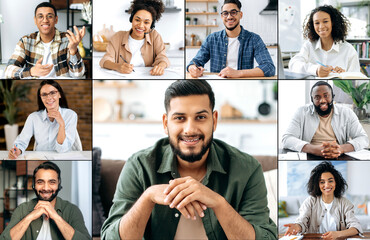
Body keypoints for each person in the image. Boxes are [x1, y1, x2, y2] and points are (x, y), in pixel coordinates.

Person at [101, 80, 276, 239]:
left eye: (200, 117)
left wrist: (219, 203)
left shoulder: (248, 169)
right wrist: (147, 197)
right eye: (179, 118)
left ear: (214, 121)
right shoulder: (139, 165)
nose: (190, 129)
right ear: (165, 123)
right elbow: (110, 237)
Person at [0, 162, 90, 239]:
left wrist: (56, 217)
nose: (46, 188)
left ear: (59, 184)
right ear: (34, 185)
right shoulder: (22, 209)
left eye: (52, 182)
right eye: (40, 182)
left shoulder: (72, 210)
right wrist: (29, 217)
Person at [187, 0, 275, 78]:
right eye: (225, 13)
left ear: (240, 15)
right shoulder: (211, 39)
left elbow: (269, 68)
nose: (229, 17)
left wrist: (238, 73)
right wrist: (192, 68)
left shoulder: (254, 39)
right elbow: (195, 62)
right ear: (222, 17)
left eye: (233, 12)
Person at [281, 81, 368, 158]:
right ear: (312, 99)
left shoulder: (347, 113)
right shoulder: (301, 112)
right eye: (317, 97)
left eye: (326, 96)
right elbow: (287, 139)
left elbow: (363, 138)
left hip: (338, 155)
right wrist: (314, 149)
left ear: (333, 97)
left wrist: (340, 149)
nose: (322, 100)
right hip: (310, 155)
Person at [4, 2, 85, 79]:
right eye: (40, 16)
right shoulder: (26, 41)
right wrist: (31, 71)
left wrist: (73, 51)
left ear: (56, 19)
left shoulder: (68, 40)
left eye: (49, 16)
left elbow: (78, 75)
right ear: (35, 20)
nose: (45, 20)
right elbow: (8, 71)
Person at [284, 161, 362, 240]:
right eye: (322, 182)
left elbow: (356, 227)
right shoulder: (310, 201)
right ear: (317, 185)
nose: (327, 185)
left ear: (336, 182)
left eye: (330, 181)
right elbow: (302, 220)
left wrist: (338, 234)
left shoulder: (345, 203)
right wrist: (297, 226)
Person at [8, 80, 78, 159]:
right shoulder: (33, 117)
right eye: (44, 94)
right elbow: (21, 141)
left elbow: (62, 149)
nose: (49, 97)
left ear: (59, 94)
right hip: (39, 158)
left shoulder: (71, 115)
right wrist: (18, 150)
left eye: (52, 93)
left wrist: (61, 124)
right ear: (40, 97)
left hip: (63, 158)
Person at [99, 0, 170, 76]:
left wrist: (160, 66)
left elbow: (163, 58)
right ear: (131, 19)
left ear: (151, 25)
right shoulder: (118, 37)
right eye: (137, 20)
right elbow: (104, 61)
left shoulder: (155, 36)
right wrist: (118, 67)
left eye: (146, 22)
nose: (141, 25)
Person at [289, 5, 360, 78]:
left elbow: (356, 79)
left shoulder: (349, 50)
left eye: (325, 21)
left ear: (333, 23)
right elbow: (293, 64)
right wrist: (315, 70)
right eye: (317, 23)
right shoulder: (308, 46)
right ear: (313, 25)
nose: (321, 26)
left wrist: (345, 75)